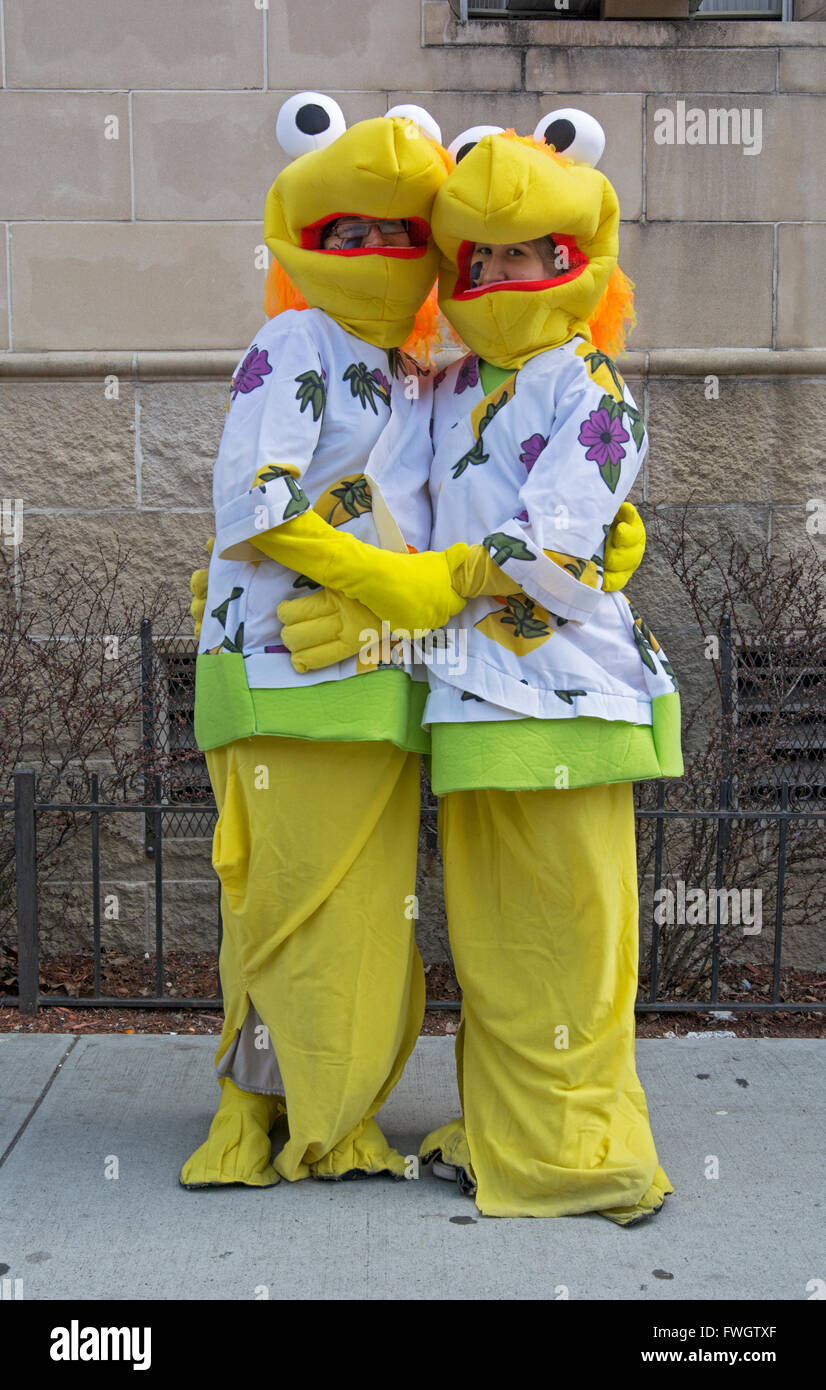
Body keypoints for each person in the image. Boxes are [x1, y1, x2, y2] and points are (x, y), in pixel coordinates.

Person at [182, 98, 648, 1194]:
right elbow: (253, 502)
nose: (382, 256)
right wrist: (381, 587)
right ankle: (283, 1119)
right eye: (474, 255)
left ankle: (561, 1146)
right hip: (320, 678)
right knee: (304, 911)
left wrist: (575, 552)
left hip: (509, 699)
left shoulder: (475, 376)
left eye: (400, 237)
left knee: (529, 938)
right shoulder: (327, 348)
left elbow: (532, 538)